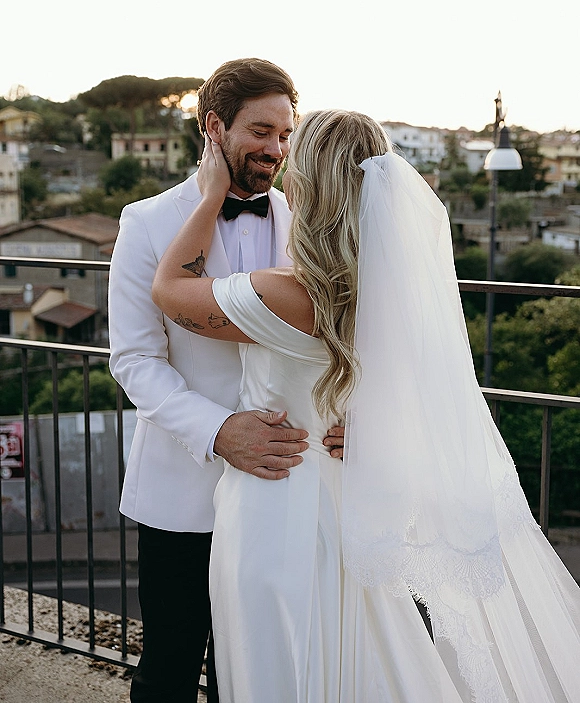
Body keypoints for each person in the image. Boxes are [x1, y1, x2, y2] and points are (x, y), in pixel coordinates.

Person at [152, 109, 580, 703]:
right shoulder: (390, 291)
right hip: (350, 503)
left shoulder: (281, 294)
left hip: (274, 507)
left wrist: (208, 195)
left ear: (309, 180)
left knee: (278, 667)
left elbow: (169, 290)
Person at [108, 59, 344, 703]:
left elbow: (337, 344)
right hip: (183, 493)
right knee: (170, 667)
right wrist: (218, 431)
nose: (276, 149)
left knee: (263, 665)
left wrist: (345, 414)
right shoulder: (147, 222)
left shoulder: (311, 221)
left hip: (287, 487)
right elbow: (134, 361)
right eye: (260, 131)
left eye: (285, 134)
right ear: (215, 127)